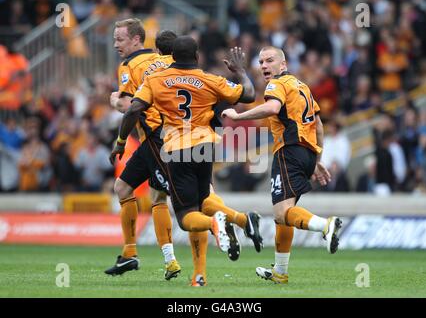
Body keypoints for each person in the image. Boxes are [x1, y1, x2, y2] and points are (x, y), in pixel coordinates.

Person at [110, 36, 257, 286]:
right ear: (197, 56)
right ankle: (207, 261)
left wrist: (121, 140)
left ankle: (216, 224)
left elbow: (133, 109)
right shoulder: (210, 79)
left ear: (169, 58)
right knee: (201, 199)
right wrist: (241, 71)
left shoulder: (155, 79)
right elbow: (250, 95)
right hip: (206, 147)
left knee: (186, 216)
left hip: (175, 146)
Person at [222, 46, 342, 284]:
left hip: (288, 152)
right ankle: (280, 271)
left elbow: (272, 108)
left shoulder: (276, 85)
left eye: (270, 60)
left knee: (282, 212)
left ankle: (325, 226)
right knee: (282, 216)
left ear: (283, 65)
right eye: (261, 62)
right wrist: (317, 160)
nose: (264, 66)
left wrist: (238, 116)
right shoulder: (302, 86)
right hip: (306, 153)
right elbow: (317, 125)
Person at [105, 19, 181, 280]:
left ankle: (231, 221)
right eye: (115, 39)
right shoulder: (165, 60)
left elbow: (127, 106)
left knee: (189, 200)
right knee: (129, 189)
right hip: (174, 134)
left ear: (137, 39)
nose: (116, 45)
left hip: (156, 137)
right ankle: (133, 255)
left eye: (120, 39)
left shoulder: (129, 65)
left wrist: (114, 99)